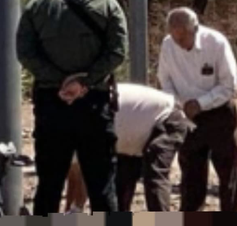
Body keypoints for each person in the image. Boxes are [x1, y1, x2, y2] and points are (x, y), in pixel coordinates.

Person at [16, 0, 128, 215]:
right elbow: (117, 52)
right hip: (94, 105)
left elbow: (25, 53)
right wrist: (84, 82)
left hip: (51, 105)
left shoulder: (38, 5)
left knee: (49, 185)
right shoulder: (108, 4)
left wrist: (59, 81)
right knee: (102, 185)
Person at [157, 7, 237, 212]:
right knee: (191, 175)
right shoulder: (168, 46)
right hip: (187, 116)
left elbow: (229, 85)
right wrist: (179, 104)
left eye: (184, 36)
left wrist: (201, 103)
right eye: (175, 37)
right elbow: (165, 81)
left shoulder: (216, 43)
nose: (180, 42)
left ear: (195, 28)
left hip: (218, 113)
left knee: (228, 174)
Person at [61, 83, 192, 212]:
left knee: (154, 172)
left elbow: (83, 176)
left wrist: (74, 210)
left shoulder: (82, 120)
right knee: (120, 183)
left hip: (167, 117)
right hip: (131, 136)